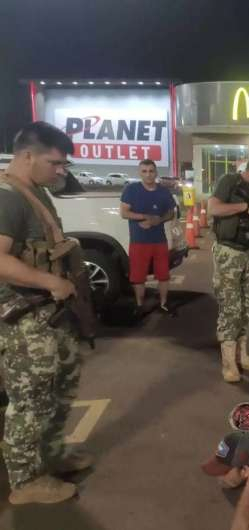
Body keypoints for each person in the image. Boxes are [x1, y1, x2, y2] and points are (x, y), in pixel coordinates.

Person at [0, 122, 93, 504]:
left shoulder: (34, 192)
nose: (61, 171)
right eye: (55, 162)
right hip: (25, 318)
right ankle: (25, 480)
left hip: (51, 315)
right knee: (31, 400)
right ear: (27, 156)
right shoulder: (8, 197)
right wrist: (50, 282)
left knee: (60, 392)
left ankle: (51, 457)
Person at [208, 154, 249, 383]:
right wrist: (244, 206)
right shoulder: (229, 181)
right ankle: (228, 364)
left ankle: (242, 355)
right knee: (230, 308)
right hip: (229, 252)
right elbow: (213, 208)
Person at [119, 159, 177, 315]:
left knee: (163, 275)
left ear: (156, 172)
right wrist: (145, 217)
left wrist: (159, 219)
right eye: (144, 171)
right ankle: (139, 305)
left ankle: (164, 304)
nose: (148, 174)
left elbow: (171, 212)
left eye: (151, 171)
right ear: (140, 173)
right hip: (139, 241)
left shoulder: (163, 192)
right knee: (138, 276)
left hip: (159, 241)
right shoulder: (131, 190)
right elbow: (124, 213)